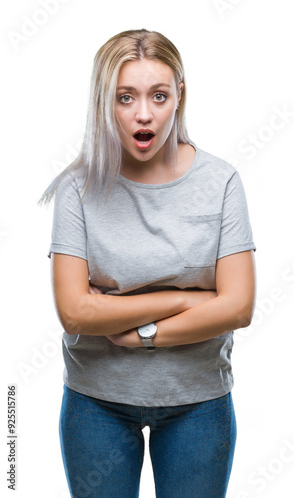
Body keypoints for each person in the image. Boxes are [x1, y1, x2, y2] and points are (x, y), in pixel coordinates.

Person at [38, 28, 256, 498]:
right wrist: (186, 298)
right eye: (125, 97)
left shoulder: (221, 182)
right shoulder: (77, 188)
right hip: (96, 402)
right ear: (104, 101)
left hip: (199, 402)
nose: (143, 114)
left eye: (159, 95)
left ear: (180, 95)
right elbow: (75, 312)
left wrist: (139, 336)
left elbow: (238, 307)